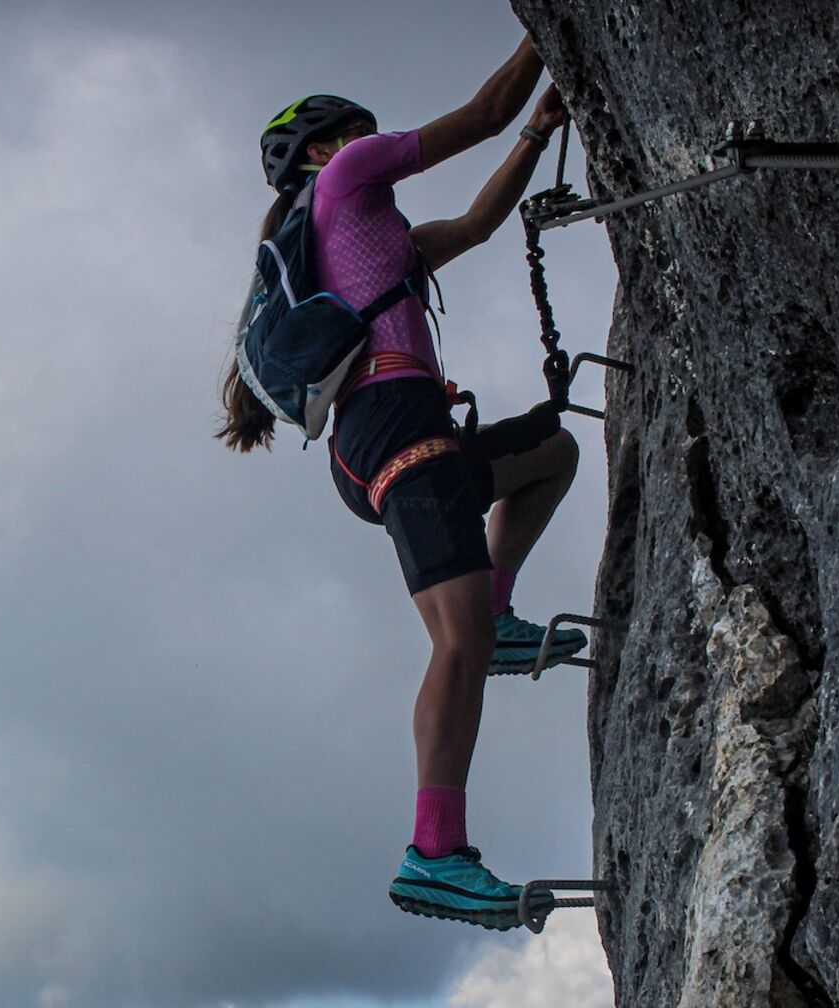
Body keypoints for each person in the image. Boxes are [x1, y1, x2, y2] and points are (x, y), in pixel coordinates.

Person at [217, 36, 587, 930]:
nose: (377, 142)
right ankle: (434, 855)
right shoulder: (344, 180)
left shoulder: (372, 242)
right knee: (453, 647)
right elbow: (480, 112)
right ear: (322, 146)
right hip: (393, 430)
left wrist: (539, 135)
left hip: (402, 435)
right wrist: (547, 35)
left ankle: (497, 616)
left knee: (551, 457)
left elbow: (474, 227)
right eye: (358, 131)